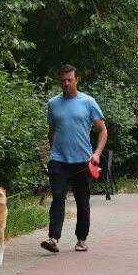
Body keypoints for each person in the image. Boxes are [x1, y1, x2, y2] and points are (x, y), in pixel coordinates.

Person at [40, 64, 107, 254]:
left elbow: (102, 130)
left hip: (82, 161)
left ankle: (81, 239)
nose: (66, 83)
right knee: (58, 199)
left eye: (70, 79)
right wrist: (55, 152)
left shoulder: (88, 102)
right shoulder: (53, 104)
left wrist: (96, 154)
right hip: (59, 160)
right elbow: (51, 131)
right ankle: (53, 238)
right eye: (63, 80)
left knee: (82, 202)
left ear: (77, 80)